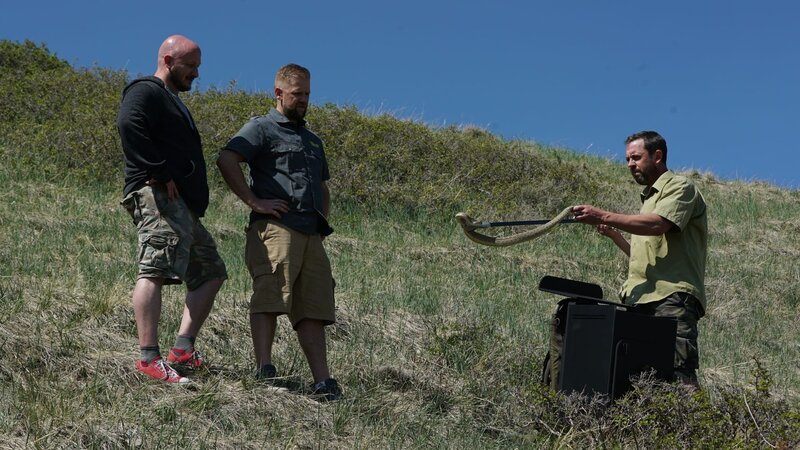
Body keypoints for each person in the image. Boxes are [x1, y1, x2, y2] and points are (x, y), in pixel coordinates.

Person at [216, 63, 341, 400]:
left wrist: (321, 223)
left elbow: (323, 185)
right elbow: (228, 159)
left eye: (307, 95)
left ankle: (322, 381)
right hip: (276, 228)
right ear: (278, 92)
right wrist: (254, 201)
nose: (303, 100)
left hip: (310, 235)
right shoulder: (261, 127)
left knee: (314, 307)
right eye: (297, 94)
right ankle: (264, 368)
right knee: (271, 294)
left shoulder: (312, 140)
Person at [117, 35, 227, 384]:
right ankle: (149, 358)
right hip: (156, 196)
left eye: (197, 67)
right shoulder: (145, 90)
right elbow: (129, 124)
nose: (195, 73)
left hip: (182, 206)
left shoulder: (174, 101)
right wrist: (159, 171)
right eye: (190, 66)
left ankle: (182, 350)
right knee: (154, 268)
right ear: (168, 60)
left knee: (210, 272)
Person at [568, 130, 708, 387]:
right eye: (627, 160)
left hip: (671, 297)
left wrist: (603, 216)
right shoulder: (648, 199)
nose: (630, 164)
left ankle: (699, 426)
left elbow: (658, 225)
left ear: (657, 156)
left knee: (678, 373)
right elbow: (642, 254)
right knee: (642, 376)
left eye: (635, 157)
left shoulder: (680, 187)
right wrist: (614, 235)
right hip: (640, 299)